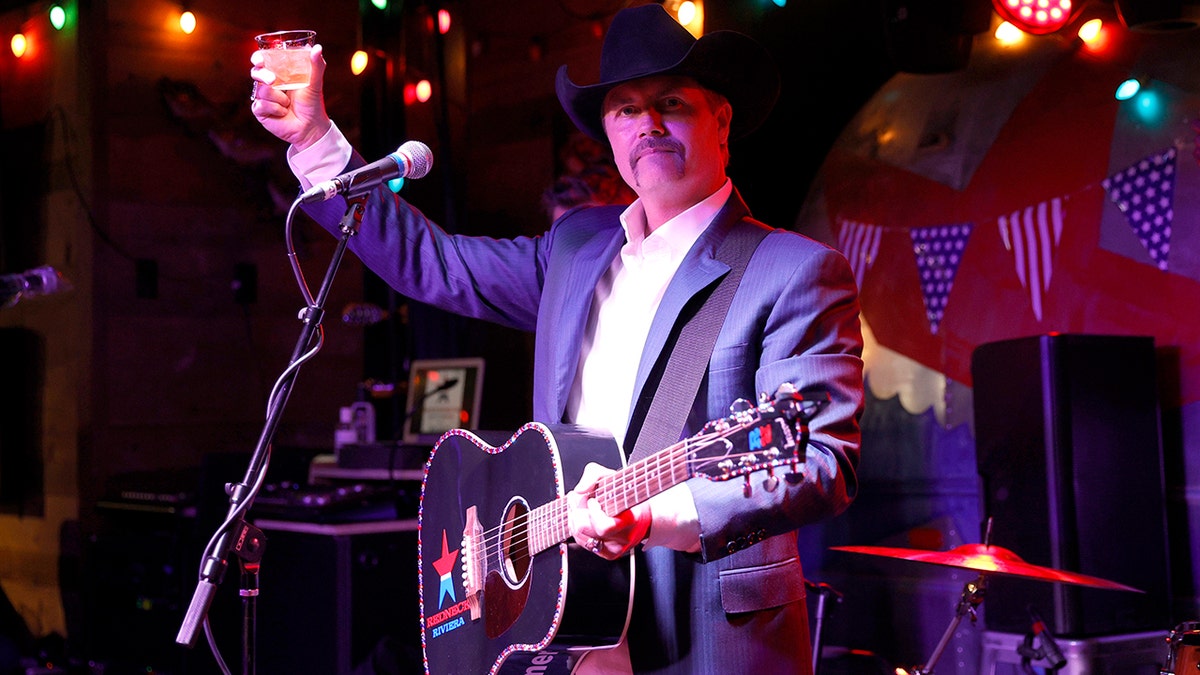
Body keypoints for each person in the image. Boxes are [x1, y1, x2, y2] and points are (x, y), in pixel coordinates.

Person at [250, 4, 863, 674]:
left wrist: (654, 515)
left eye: (670, 102)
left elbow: (821, 462)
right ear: (607, 130)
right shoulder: (576, 247)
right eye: (625, 109)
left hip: (705, 631)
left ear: (721, 119)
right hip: (564, 625)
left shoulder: (795, 270)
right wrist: (314, 140)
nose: (648, 124)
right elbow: (432, 261)